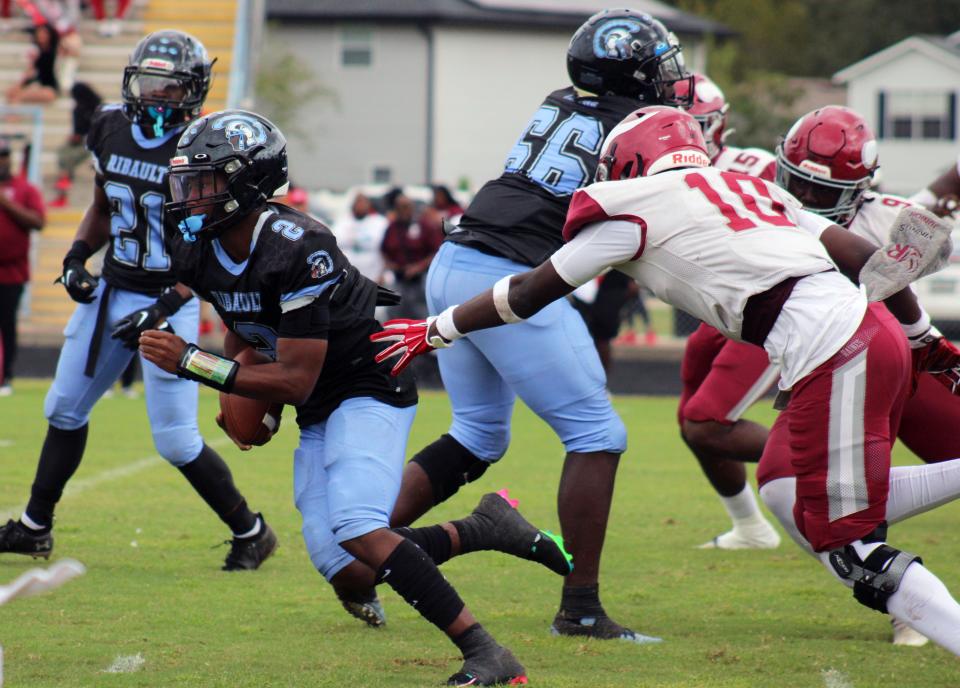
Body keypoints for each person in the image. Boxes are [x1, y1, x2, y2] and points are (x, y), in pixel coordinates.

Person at [372, 105, 960, 658]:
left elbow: (527, 293)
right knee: (805, 504)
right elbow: (862, 254)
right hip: (865, 334)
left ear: (626, 161)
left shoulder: (636, 206)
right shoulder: (752, 187)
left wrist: (437, 328)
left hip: (831, 348)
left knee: (850, 550)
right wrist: (921, 336)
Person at [141, 109, 574, 686]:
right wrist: (242, 376)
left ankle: (486, 653)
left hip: (368, 385)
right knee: (349, 571)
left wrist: (196, 364)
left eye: (205, 182)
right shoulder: (199, 246)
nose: (189, 196)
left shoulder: (300, 245)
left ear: (246, 183)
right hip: (320, 405)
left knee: (358, 527)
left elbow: (293, 378)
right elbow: (244, 321)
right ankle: (483, 528)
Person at [370, 9, 694, 643]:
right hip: (507, 274)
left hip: (453, 260)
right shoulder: (638, 123)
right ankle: (581, 608)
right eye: (659, 69)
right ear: (632, 75)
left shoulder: (560, 100)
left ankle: (362, 557)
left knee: (478, 434)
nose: (669, 80)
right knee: (597, 434)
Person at [0, 31, 277, 573]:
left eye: (169, 88)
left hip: (172, 299)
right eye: (149, 83)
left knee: (174, 440)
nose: (156, 95)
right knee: (62, 408)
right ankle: (35, 526)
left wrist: (165, 306)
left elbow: (212, 241)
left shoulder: (203, 146)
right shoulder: (108, 126)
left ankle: (252, 530)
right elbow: (103, 207)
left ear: (193, 92)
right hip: (113, 289)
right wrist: (78, 258)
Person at [759, 104, 960, 646]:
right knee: (785, 490)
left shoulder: (894, 219)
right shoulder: (759, 210)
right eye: (798, 185)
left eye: (822, 194)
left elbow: (930, 239)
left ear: (861, 188)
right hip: (831, 371)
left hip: (913, 369)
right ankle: (909, 599)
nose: (806, 202)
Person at [670, 73, 781, 549]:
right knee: (691, 422)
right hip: (717, 310)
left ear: (716, 127)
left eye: (692, 127)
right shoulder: (652, 174)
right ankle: (751, 528)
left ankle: (833, 458)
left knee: (708, 421)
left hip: (767, 307)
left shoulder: (755, 167)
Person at [0, 136, 46, 395]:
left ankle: (6, 377)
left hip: (11, 272)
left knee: (7, 325)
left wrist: (8, 204)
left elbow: (38, 221)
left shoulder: (24, 189)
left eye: (4, 156)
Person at [380, 192, 442, 320]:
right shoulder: (392, 227)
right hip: (399, 278)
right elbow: (384, 250)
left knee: (420, 314)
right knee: (394, 312)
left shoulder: (424, 226)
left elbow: (436, 251)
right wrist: (391, 265)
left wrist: (418, 267)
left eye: (406, 206)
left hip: (419, 278)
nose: (404, 210)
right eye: (400, 207)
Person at [51, 82, 102, 208]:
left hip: (88, 145)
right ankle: (64, 181)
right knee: (65, 155)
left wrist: (76, 138)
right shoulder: (100, 107)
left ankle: (64, 184)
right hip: (96, 143)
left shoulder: (80, 109)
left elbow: (77, 135)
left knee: (65, 157)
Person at [331, 192, 388, 284]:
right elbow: (334, 244)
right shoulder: (342, 222)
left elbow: (387, 249)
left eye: (363, 202)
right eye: (358, 202)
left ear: (369, 205)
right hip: (347, 277)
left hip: (373, 276)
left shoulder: (379, 222)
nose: (360, 205)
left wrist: (384, 273)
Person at [5, 23, 59, 104]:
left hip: (49, 89)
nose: (41, 35)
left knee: (17, 96)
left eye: (44, 33)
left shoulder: (51, 53)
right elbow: (31, 75)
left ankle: (12, 116)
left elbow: (39, 74)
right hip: (38, 86)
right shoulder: (38, 51)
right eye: (39, 33)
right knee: (11, 92)